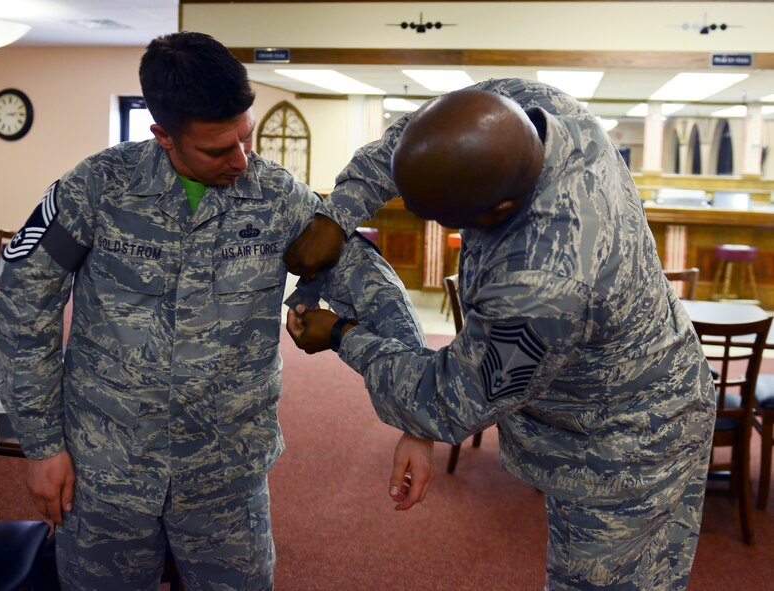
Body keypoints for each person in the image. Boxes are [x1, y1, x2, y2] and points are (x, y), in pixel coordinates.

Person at [0, 31, 433, 591]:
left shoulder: (276, 198)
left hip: (226, 478)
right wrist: (42, 443)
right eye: (218, 149)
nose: (241, 160)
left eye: (245, 138)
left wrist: (419, 418)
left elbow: (378, 292)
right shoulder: (96, 190)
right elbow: (22, 306)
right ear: (164, 137)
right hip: (107, 470)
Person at [284, 79, 716, 590]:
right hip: (589, 395)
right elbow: (420, 134)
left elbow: (449, 399)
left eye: (449, 220)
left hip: (627, 441)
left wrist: (340, 334)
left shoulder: (542, 286)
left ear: (498, 213)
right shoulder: (544, 112)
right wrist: (339, 211)